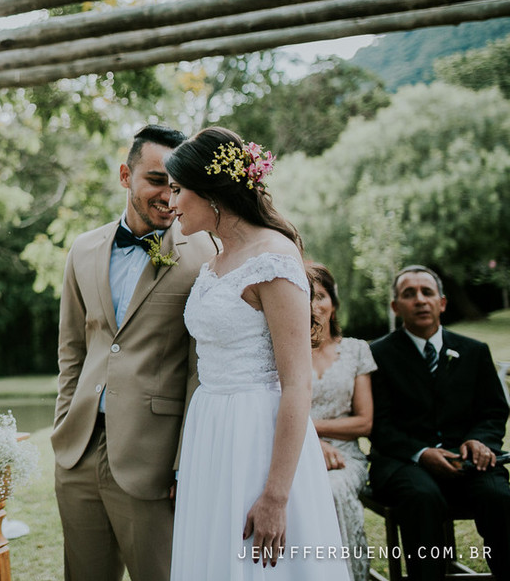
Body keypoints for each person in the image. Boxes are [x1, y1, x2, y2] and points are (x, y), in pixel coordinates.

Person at [165, 126, 347, 579]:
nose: (170, 203)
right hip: (210, 426)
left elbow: (297, 383)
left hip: (257, 433)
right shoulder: (215, 259)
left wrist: (276, 494)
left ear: (210, 193)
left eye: (177, 190)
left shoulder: (274, 258)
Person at [52, 124, 217, 581]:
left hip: (154, 459)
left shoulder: (206, 253)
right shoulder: (83, 250)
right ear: (126, 176)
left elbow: (201, 370)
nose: (169, 195)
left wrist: (186, 463)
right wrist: (63, 424)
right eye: (157, 180)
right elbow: (72, 350)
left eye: (179, 184)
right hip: (79, 449)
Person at [368, 265, 510, 580]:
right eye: (409, 294)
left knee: (499, 496)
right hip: (404, 464)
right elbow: (378, 424)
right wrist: (421, 452)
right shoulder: (377, 356)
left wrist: (480, 441)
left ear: (442, 303)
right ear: (395, 307)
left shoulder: (475, 351)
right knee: (422, 497)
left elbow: (494, 410)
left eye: (427, 292)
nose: (420, 300)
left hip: (468, 462)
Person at [307, 261, 376, 581]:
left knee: (333, 490)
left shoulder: (356, 350)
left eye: (320, 296)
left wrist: (308, 429)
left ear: (333, 304)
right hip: (296, 452)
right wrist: (309, 442)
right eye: (304, 295)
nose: (312, 305)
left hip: (346, 456)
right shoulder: (280, 351)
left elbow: (363, 423)